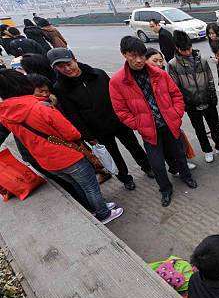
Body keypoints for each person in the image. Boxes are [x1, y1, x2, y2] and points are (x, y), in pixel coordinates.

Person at [0, 69, 123, 224]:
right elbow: (72, 134)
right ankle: (104, 214)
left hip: (46, 162)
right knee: (90, 187)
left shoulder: (4, 114)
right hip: (68, 156)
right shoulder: (40, 107)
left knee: (78, 185)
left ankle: (95, 208)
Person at [49, 47, 154, 191]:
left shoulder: (98, 74)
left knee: (134, 145)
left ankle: (147, 166)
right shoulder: (60, 88)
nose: (67, 68)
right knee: (113, 155)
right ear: (55, 68)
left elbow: (118, 96)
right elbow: (72, 115)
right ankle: (125, 178)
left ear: (75, 60)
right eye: (61, 67)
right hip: (97, 130)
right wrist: (88, 136)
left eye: (69, 63)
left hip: (118, 121)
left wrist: (126, 115)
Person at [109, 36, 197, 207]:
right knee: (157, 165)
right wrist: (138, 124)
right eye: (133, 55)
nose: (139, 60)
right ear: (124, 55)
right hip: (149, 131)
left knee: (180, 155)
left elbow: (176, 95)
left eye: (142, 55)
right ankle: (165, 189)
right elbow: (121, 111)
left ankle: (187, 177)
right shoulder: (118, 81)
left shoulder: (159, 73)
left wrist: (175, 114)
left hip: (170, 125)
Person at [167, 30, 219, 163]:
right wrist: (185, 103)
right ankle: (207, 150)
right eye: (184, 50)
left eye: (189, 48)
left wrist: (212, 95)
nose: (188, 52)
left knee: (214, 126)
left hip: (207, 100)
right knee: (200, 129)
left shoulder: (201, 60)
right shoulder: (173, 65)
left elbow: (210, 78)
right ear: (178, 49)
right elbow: (175, 88)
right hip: (191, 104)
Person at [145, 47, 198, 173]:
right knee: (164, 149)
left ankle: (183, 165)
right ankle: (174, 168)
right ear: (145, 61)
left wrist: (177, 113)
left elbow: (176, 94)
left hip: (170, 118)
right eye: (155, 61)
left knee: (178, 144)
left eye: (161, 60)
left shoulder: (164, 75)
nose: (159, 64)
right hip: (153, 123)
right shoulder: (142, 80)